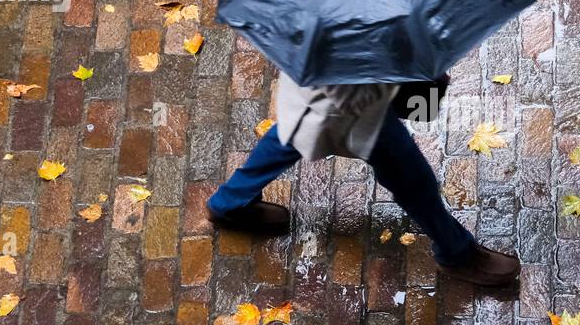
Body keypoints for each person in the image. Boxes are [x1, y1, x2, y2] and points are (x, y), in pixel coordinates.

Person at [206, 74, 520, 287]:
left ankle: (230, 202)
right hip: (353, 90)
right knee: (412, 177)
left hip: (335, 77)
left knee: (299, 123)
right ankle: (457, 253)